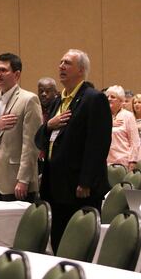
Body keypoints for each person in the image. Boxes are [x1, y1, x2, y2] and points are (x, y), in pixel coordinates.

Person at [35, 49, 111, 252]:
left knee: (79, 246)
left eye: (67, 63)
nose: (61, 66)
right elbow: (39, 140)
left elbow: (98, 144)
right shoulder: (58, 101)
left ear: (81, 70)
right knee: (59, 243)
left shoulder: (93, 98)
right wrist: (49, 125)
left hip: (79, 187)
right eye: (60, 62)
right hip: (55, 185)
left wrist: (86, 181)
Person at [0, 53, 42, 201]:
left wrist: (24, 179)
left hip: (17, 179)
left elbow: (31, 144)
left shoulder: (28, 100)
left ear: (17, 74)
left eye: (3, 70)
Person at [105, 85, 140, 170]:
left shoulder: (128, 116)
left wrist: (132, 161)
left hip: (123, 162)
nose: (109, 99)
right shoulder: (104, 116)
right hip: (105, 163)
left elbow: (134, 141)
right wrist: (109, 123)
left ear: (121, 101)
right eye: (107, 96)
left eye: (113, 97)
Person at [37, 77, 59, 173]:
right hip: (36, 158)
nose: (44, 94)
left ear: (55, 92)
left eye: (48, 91)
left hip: (53, 158)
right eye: (41, 91)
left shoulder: (60, 109)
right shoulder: (33, 108)